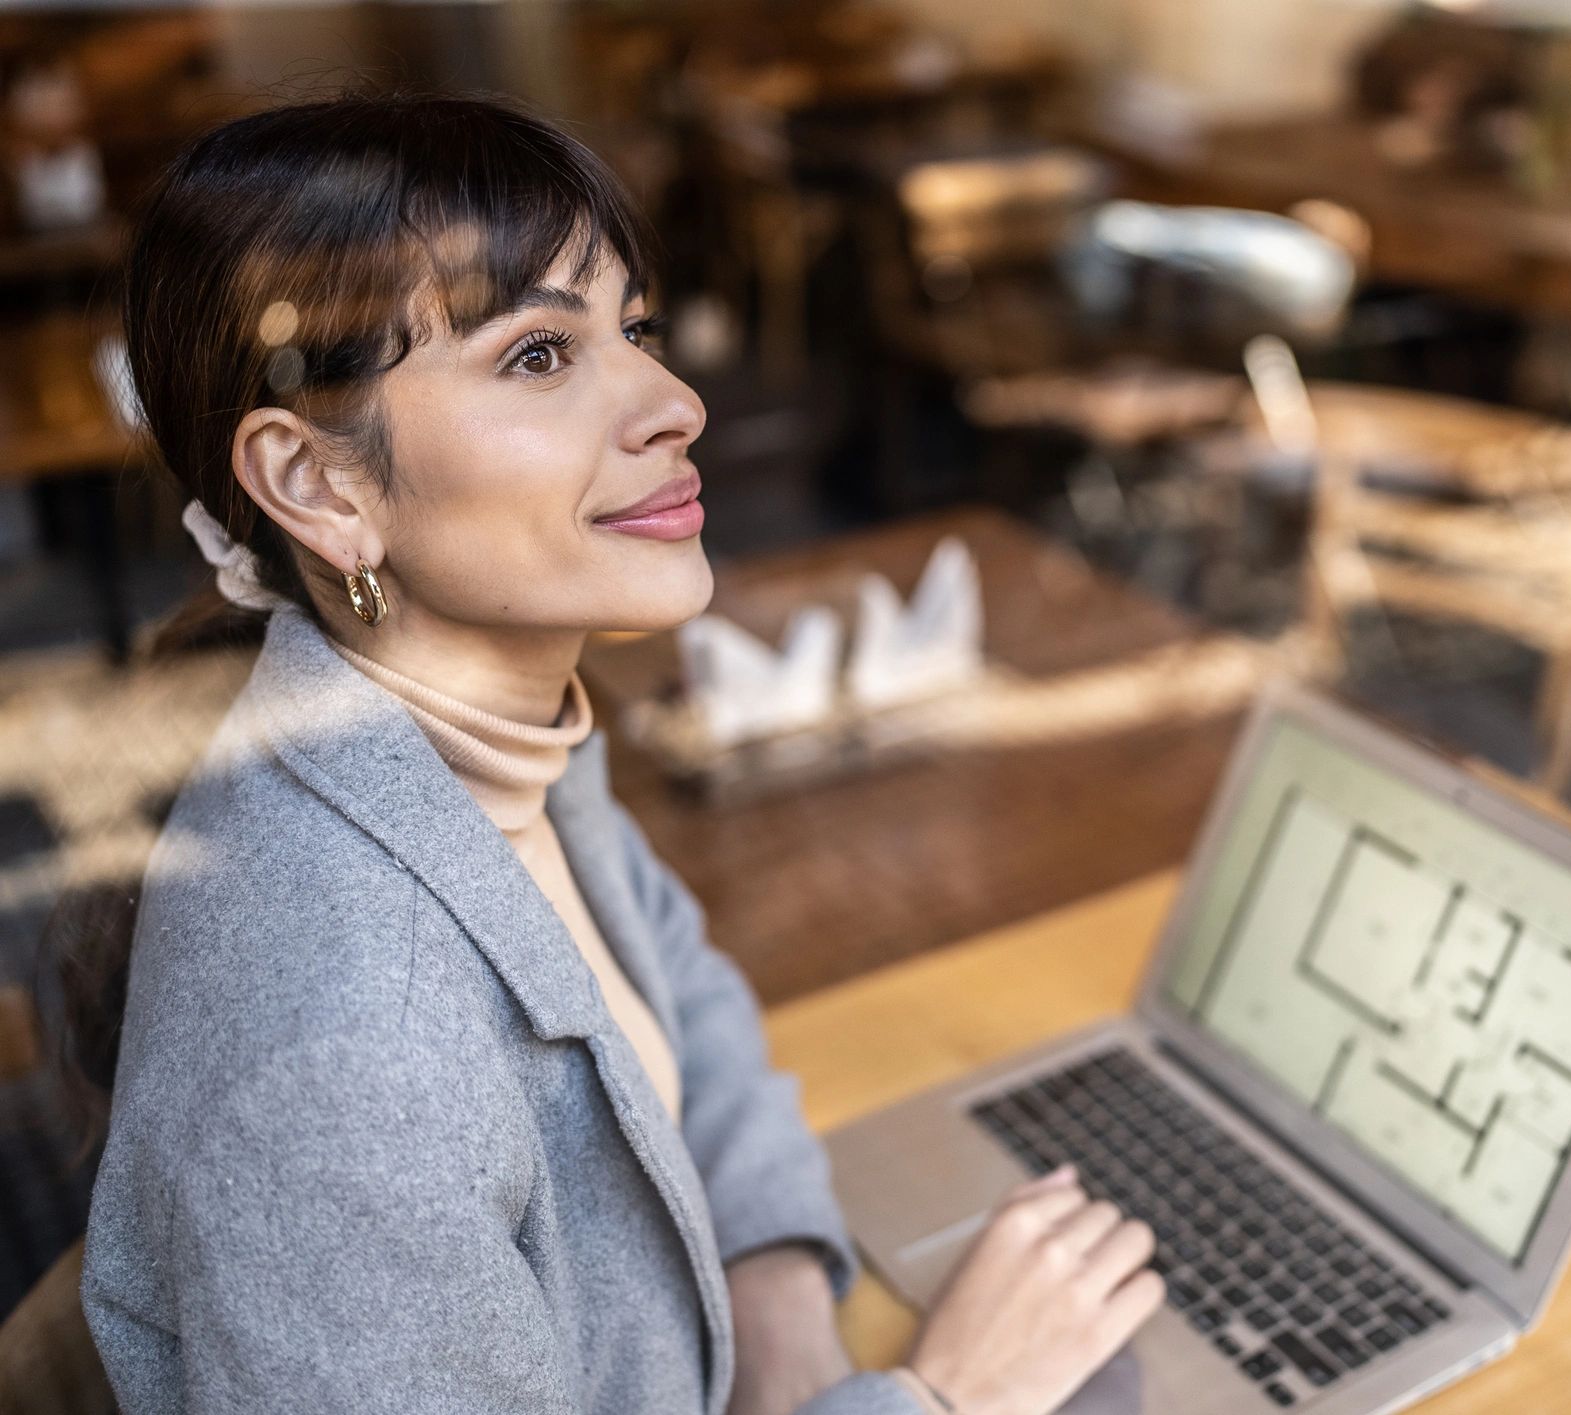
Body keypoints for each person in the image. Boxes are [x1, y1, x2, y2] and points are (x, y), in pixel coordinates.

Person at [67, 90, 1163, 1414]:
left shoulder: (477, 738)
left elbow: (678, 992)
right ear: (320, 486)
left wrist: (779, 1322)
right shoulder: (339, 1055)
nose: (676, 403)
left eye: (631, 329)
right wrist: (948, 1398)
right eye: (537, 355)